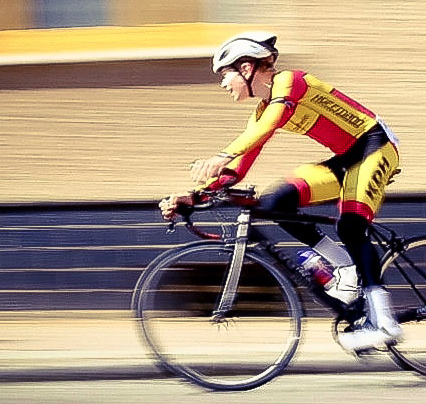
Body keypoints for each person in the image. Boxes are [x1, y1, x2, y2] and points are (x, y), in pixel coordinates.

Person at [160, 31, 404, 351]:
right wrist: (191, 198)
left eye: (226, 75)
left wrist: (221, 155)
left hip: (376, 146)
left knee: (351, 225)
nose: (223, 84)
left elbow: (268, 125)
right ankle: (345, 265)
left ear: (247, 69)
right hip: (346, 160)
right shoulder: (261, 111)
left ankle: (385, 323)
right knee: (277, 202)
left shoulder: (291, 82)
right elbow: (238, 168)